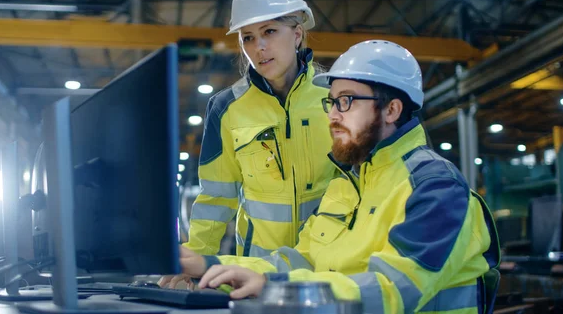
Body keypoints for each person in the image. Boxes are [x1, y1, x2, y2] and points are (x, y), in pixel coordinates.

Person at [170, 40, 501, 314]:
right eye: (331, 103)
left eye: (346, 102)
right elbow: (301, 260)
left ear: (392, 110)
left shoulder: (435, 188)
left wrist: (277, 290)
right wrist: (208, 265)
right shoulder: (348, 185)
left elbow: (392, 290)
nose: (332, 116)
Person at [161, 0, 336, 287]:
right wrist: (193, 264)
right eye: (248, 37)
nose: (259, 47)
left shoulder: (336, 97)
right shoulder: (227, 108)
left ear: (297, 34)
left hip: (331, 267)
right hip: (257, 271)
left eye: (269, 31)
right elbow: (217, 197)